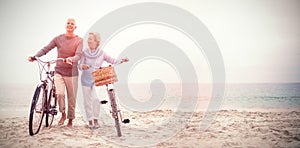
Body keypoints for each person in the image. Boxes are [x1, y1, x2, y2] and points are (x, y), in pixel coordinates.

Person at [28, 18, 83, 128]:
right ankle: (63, 114)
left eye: (72, 24)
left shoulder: (79, 40)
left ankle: (70, 120)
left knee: (71, 98)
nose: (70, 25)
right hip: (59, 71)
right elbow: (46, 49)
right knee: (60, 94)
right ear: (65, 25)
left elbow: (79, 55)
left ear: (75, 27)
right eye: (68, 23)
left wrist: (72, 59)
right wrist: (35, 56)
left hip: (72, 73)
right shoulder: (58, 39)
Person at [79, 32, 128, 129]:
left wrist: (122, 60)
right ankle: (90, 121)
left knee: (96, 100)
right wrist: (83, 66)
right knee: (87, 101)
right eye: (88, 39)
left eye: (91, 39)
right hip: (85, 80)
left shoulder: (101, 53)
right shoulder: (84, 52)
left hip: (97, 79)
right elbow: (79, 66)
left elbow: (113, 61)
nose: (88, 41)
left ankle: (96, 120)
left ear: (96, 41)